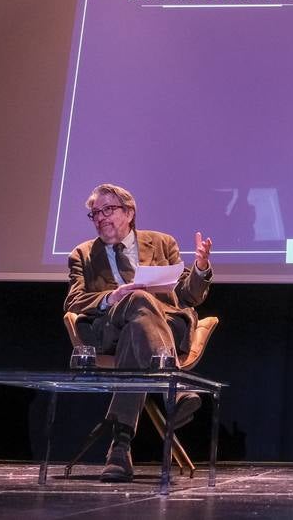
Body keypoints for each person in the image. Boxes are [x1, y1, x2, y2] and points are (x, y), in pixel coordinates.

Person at [63, 183, 214, 483]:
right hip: (110, 329)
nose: (101, 218)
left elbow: (188, 297)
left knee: (140, 318)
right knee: (136, 299)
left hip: (163, 327)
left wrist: (200, 267)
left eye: (108, 210)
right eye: (95, 213)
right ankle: (175, 388)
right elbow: (74, 300)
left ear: (129, 213)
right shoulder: (82, 254)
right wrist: (111, 297)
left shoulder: (162, 243)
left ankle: (119, 447)